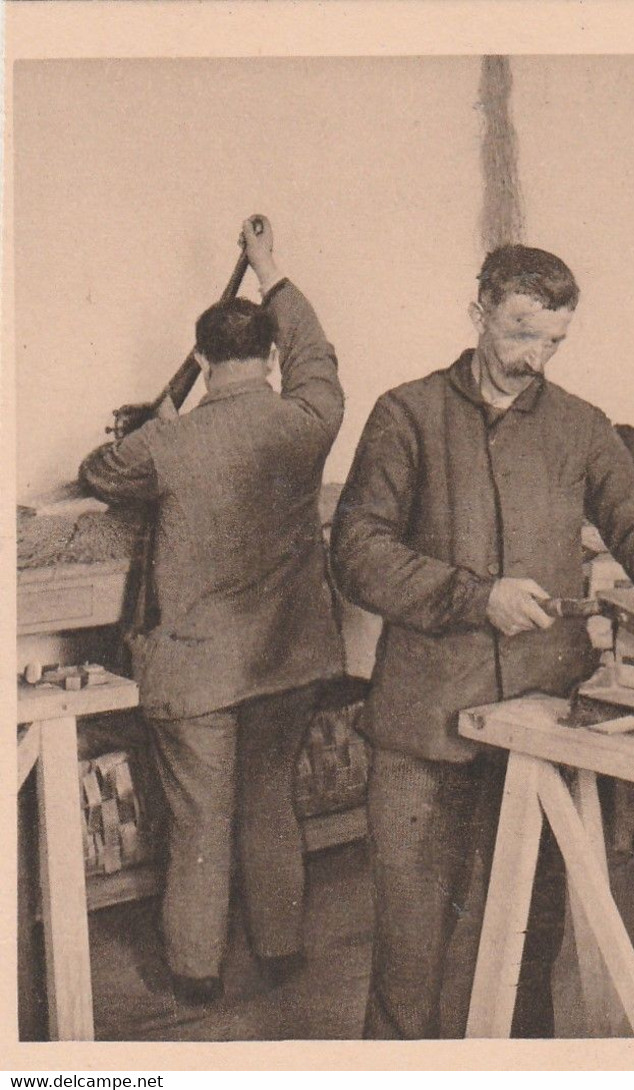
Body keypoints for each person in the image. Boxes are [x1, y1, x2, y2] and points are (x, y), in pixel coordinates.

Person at [330, 243, 634, 1039]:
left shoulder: (578, 425)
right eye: (518, 333)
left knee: (529, 943)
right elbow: (357, 552)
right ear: (478, 311)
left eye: (552, 342)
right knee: (411, 952)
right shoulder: (406, 413)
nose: (533, 358)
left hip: (542, 720)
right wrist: (475, 598)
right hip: (425, 724)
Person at [80, 217, 344, 1004]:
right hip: (290, 661)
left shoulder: (167, 444)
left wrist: (160, 424)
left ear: (200, 359)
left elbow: (98, 471)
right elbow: (319, 357)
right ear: (268, 359)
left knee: (199, 824)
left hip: (196, 673)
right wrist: (271, 271)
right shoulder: (309, 420)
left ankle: (195, 974)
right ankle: (280, 951)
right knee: (271, 805)